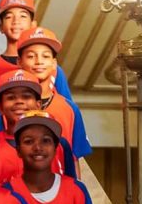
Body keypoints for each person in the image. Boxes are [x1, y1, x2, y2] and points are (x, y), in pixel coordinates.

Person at [17, 27, 92, 163]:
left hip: (58, 182)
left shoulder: (69, 109)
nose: (39, 61)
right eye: (31, 56)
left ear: (54, 64)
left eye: (45, 56)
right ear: (19, 62)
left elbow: (74, 159)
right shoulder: (11, 108)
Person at [0, 69, 75, 185]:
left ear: (38, 105)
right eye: (11, 98)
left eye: (26, 97)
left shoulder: (59, 144)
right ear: (0, 107)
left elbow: (70, 186)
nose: (19, 102)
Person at [0, 0, 73, 100]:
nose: (16, 21)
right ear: (1, 26)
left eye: (23, 16)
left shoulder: (50, 68)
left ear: (33, 25)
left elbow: (66, 107)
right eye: (9, 17)